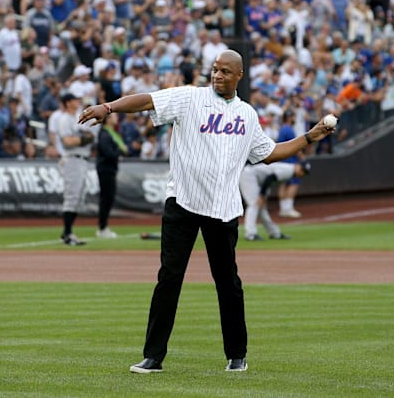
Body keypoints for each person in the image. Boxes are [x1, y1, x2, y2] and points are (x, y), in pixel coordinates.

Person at [78, 49, 336, 373]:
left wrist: (310, 136)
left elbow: (269, 153)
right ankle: (153, 357)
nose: (217, 75)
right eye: (215, 69)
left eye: (225, 71)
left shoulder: (247, 115)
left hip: (223, 208)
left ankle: (237, 355)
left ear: (239, 76)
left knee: (227, 282)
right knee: (169, 278)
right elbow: (147, 101)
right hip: (183, 202)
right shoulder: (190, 98)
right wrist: (109, 107)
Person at [58, 93, 97, 246]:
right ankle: (67, 233)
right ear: (67, 103)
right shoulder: (64, 119)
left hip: (82, 159)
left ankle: (67, 232)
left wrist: (84, 138)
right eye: (74, 100)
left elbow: (90, 135)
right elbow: (67, 141)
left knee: (78, 197)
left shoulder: (77, 116)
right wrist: (82, 139)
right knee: (72, 196)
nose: (77, 102)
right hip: (72, 159)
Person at [239, 161, 311, 241]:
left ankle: (274, 233)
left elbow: (269, 178)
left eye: (304, 172)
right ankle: (250, 234)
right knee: (254, 204)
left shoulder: (290, 170)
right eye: (302, 170)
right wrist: (262, 195)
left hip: (257, 179)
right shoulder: (289, 170)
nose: (302, 173)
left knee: (261, 208)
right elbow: (269, 178)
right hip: (249, 175)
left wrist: (263, 195)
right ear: (298, 165)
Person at [95, 112, 128, 239]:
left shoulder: (111, 133)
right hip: (105, 169)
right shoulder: (105, 134)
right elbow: (109, 153)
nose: (117, 118)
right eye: (114, 116)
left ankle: (103, 227)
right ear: (107, 119)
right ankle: (102, 228)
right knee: (106, 198)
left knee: (108, 198)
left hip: (109, 169)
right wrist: (119, 151)